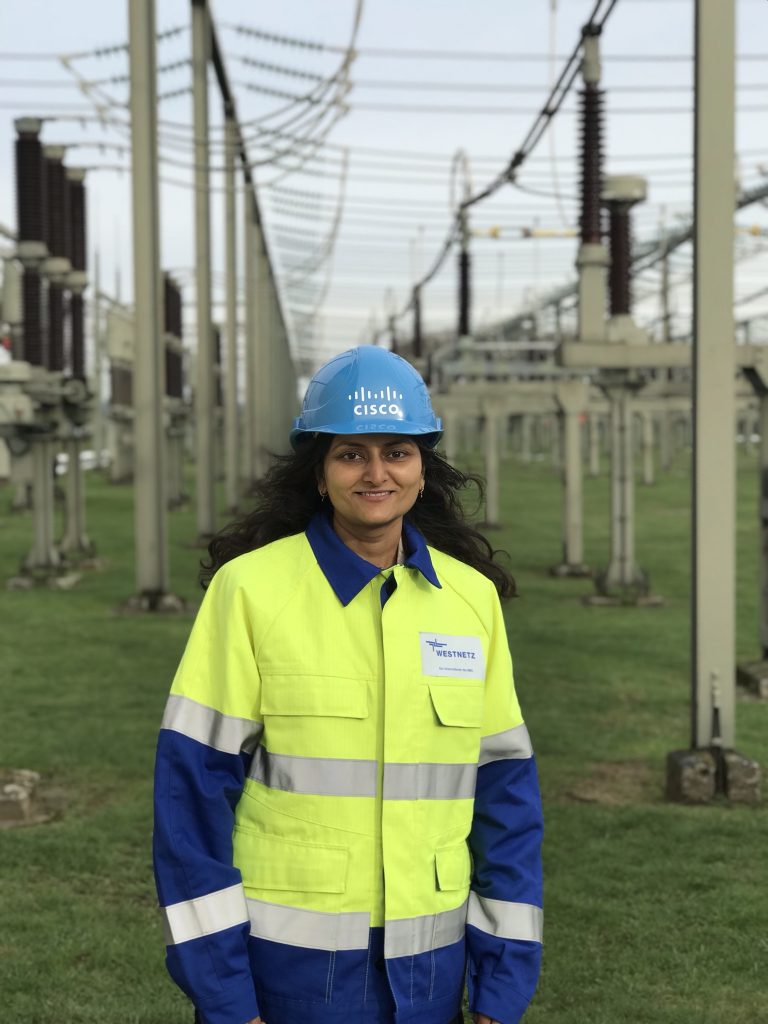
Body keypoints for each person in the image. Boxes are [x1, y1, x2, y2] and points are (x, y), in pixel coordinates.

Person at [153, 346, 543, 1024]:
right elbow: (189, 802)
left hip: (431, 974)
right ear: (320, 472)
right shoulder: (249, 591)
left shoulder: (471, 602)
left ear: (424, 468)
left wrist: (502, 988)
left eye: (396, 451)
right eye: (350, 453)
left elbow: (506, 801)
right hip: (286, 975)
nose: (376, 473)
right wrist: (225, 998)